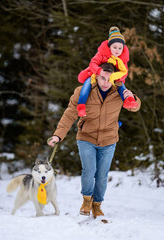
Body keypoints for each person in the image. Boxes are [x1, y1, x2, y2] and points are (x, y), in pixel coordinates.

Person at [48, 62, 141, 218]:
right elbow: (70, 114)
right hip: (86, 137)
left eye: (109, 79)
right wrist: (58, 135)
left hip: (109, 139)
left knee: (102, 175)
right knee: (89, 170)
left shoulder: (119, 92)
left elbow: (134, 107)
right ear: (96, 76)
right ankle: (86, 200)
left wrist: (132, 97)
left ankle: (97, 205)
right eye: (102, 78)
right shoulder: (83, 91)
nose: (105, 82)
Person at [76, 26, 138, 117]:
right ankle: (81, 105)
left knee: (121, 85)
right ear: (109, 47)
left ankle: (128, 100)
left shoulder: (122, 60)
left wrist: (115, 77)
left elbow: (125, 72)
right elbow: (92, 63)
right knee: (87, 83)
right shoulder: (102, 54)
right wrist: (100, 71)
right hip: (97, 74)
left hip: (114, 76)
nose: (117, 51)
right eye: (115, 47)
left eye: (120, 48)